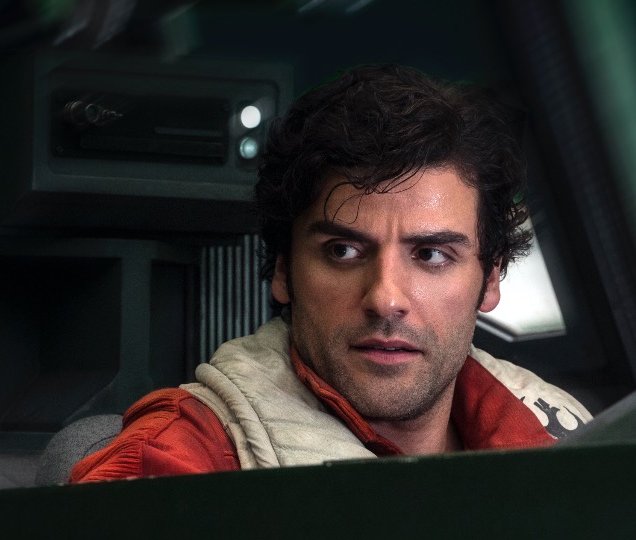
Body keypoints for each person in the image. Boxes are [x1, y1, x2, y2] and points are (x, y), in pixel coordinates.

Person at [71, 64, 591, 482]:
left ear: (491, 278)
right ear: (283, 269)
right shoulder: (176, 462)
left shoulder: (574, 441)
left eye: (431, 255)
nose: (385, 298)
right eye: (343, 250)